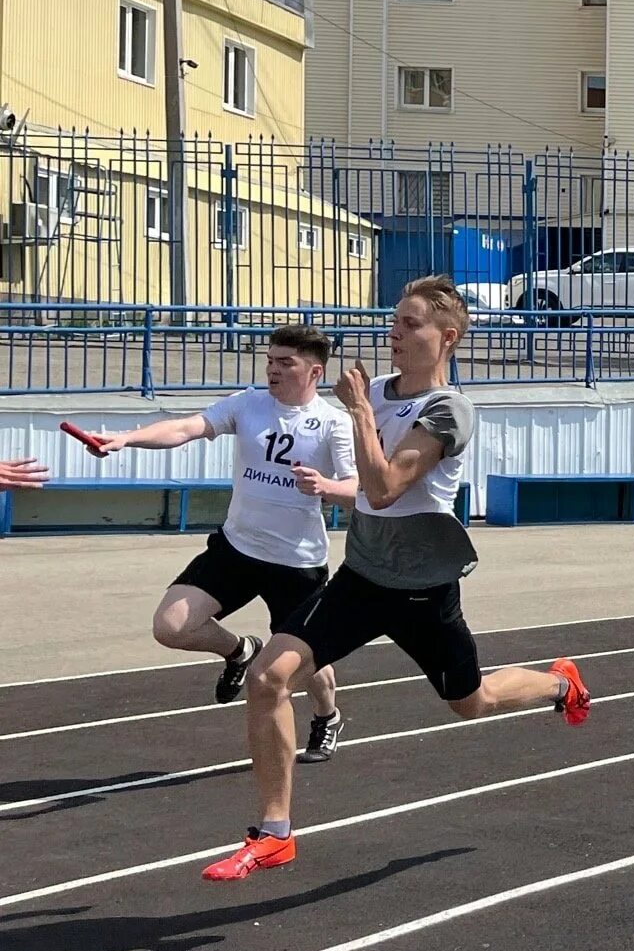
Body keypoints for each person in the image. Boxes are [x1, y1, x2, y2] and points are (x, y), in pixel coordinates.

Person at [212, 277, 591, 882]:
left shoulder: (449, 411)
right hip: (361, 579)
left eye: (411, 323)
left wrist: (360, 413)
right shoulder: (374, 393)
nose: (394, 331)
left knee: (472, 703)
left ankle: (557, 684)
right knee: (267, 677)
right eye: (394, 319)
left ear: (449, 337)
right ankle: (275, 832)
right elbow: (347, 474)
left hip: (421, 591)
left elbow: (384, 489)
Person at [89, 326, 359, 756]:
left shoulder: (333, 423)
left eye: (285, 362)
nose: (273, 369)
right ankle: (239, 650)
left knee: (309, 667)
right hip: (236, 549)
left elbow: (357, 487)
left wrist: (326, 485)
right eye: (270, 360)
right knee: (171, 626)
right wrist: (126, 439)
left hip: (296, 562)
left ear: (314, 371)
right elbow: (186, 428)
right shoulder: (247, 403)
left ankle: (327, 717)